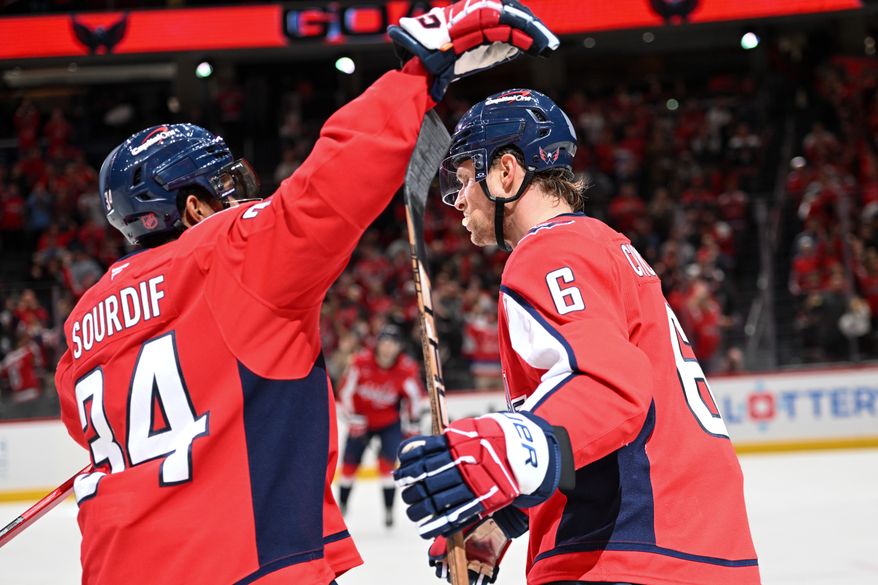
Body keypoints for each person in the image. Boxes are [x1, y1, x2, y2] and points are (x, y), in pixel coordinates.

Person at [51, 4, 559, 584]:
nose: (239, 202)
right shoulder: (224, 250)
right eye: (224, 189)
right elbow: (326, 190)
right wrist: (415, 75)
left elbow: (95, 426)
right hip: (241, 566)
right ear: (192, 207)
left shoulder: (84, 320)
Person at [394, 90, 761, 585]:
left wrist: (507, 447)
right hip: (696, 547)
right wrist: (507, 515)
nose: (457, 200)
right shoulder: (606, 244)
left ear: (506, 172)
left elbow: (609, 387)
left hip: (627, 549)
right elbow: (599, 426)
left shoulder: (550, 249)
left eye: (463, 180)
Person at [337, 324, 425, 527]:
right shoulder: (360, 362)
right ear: (377, 345)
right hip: (361, 422)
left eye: (392, 344)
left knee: (387, 468)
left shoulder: (406, 368)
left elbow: (414, 397)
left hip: (388, 423)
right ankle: (342, 506)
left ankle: (388, 511)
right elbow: (345, 392)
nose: (387, 348)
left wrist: (413, 423)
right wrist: (353, 418)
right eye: (384, 343)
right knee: (349, 466)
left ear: (398, 347)